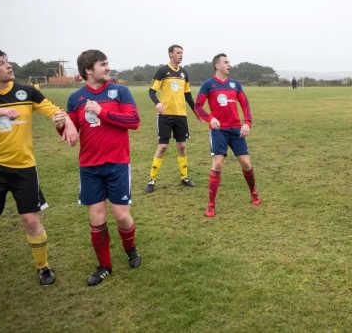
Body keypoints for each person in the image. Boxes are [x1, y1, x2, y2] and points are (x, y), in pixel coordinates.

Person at [0, 48, 77, 285]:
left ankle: (43, 267)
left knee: (31, 220)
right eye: (1, 63)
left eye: (7, 62)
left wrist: (66, 121)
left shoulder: (27, 92)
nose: (9, 66)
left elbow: (53, 111)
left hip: (24, 168)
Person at [65, 50, 141, 286]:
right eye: (103, 64)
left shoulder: (120, 92)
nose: (108, 68)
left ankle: (131, 249)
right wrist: (62, 125)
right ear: (89, 70)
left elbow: (134, 121)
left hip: (117, 163)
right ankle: (104, 266)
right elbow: (71, 134)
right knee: (96, 219)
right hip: (89, 166)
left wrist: (102, 111)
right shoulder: (75, 98)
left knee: (122, 216)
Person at [194, 53, 261, 217]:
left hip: (236, 129)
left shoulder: (235, 84)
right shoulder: (208, 85)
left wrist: (247, 123)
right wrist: (210, 119)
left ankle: (253, 192)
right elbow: (198, 106)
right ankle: (211, 204)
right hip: (219, 131)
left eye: (229, 62)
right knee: (217, 164)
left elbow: (245, 104)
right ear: (217, 65)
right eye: (225, 62)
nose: (229, 65)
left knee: (246, 164)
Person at [145, 44, 197, 193]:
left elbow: (188, 95)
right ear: (170, 54)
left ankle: (184, 177)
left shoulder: (184, 73)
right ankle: (152, 180)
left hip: (181, 115)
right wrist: (157, 103)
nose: (181, 55)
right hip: (165, 116)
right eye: (178, 53)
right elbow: (152, 91)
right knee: (162, 147)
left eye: (182, 53)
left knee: (182, 147)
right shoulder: (163, 71)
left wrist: (197, 111)